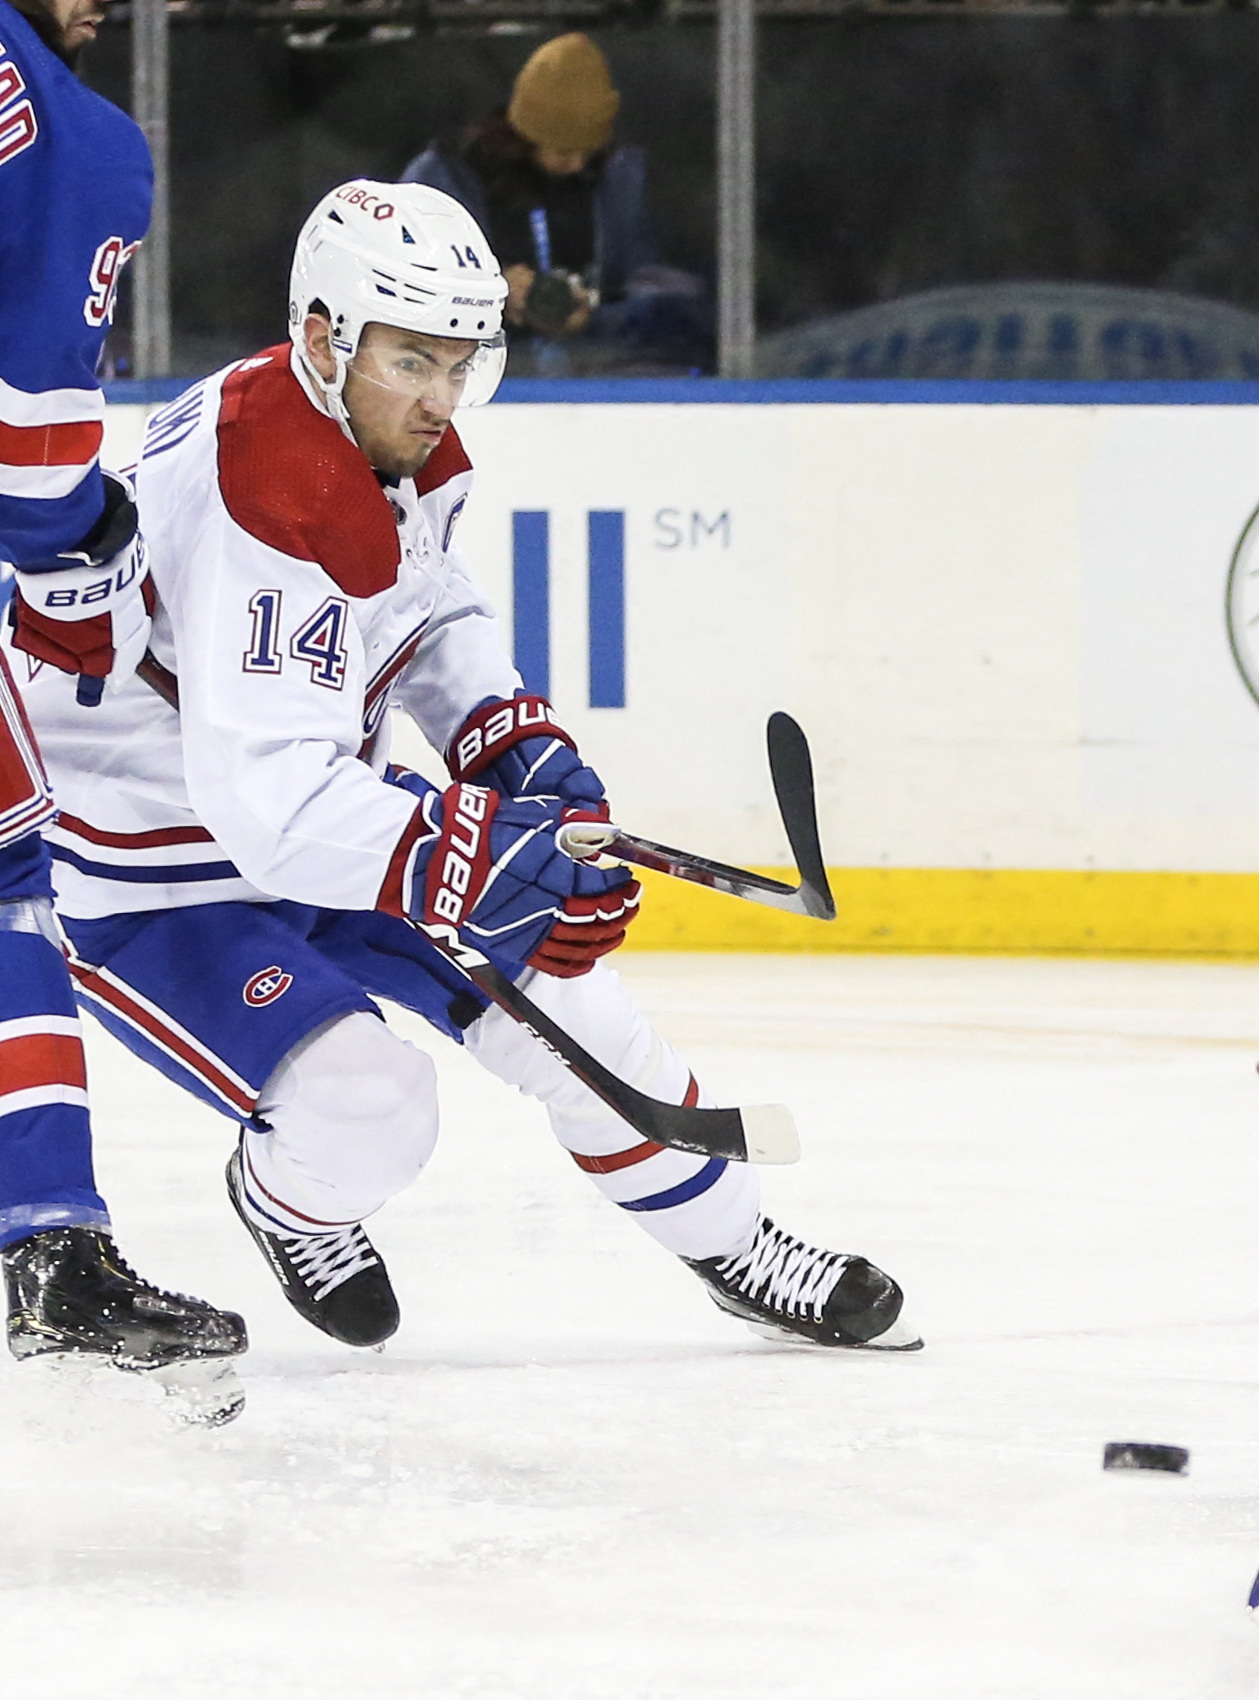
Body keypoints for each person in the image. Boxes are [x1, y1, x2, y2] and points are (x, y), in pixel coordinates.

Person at [15, 180, 905, 1355]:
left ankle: (738, 1247)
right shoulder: (265, 494)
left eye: (459, 365)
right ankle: (287, 1203)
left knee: (581, 1014)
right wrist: (472, 856)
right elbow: (263, 801)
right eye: (413, 363)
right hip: (161, 881)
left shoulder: (373, 432)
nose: (441, 401)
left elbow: (423, 612)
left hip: (324, 826)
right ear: (326, 334)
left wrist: (512, 741)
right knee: (370, 1110)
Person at [0, 0, 250, 1417]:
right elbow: (35, 478)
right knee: (3, 889)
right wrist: (91, 537)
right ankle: (50, 1252)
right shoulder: (77, 135)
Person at [402, 33, 709, 374]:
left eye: (588, 150)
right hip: (472, 373)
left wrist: (595, 310)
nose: (578, 164)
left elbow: (673, 294)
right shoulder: (449, 176)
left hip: (605, 372)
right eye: (564, 151)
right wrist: (487, 291)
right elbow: (403, 284)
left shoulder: (622, 181)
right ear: (526, 134)